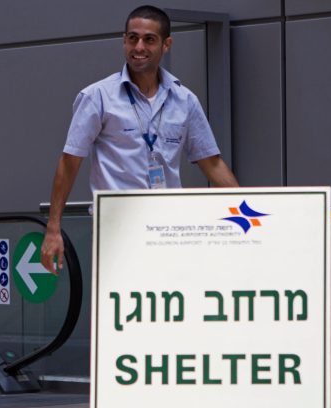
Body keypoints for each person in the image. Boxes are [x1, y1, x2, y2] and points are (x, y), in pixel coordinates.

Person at [41, 5, 238, 274]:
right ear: (124, 41)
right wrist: (53, 228)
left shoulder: (185, 100)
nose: (139, 47)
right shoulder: (97, 97)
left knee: (170, 305)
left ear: (166, 45)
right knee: (121, 310)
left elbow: (212, 164)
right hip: (117, 229)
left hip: (172, 230)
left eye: (149, 39)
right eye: (132, 38)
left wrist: (246, 213)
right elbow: (69, 162)